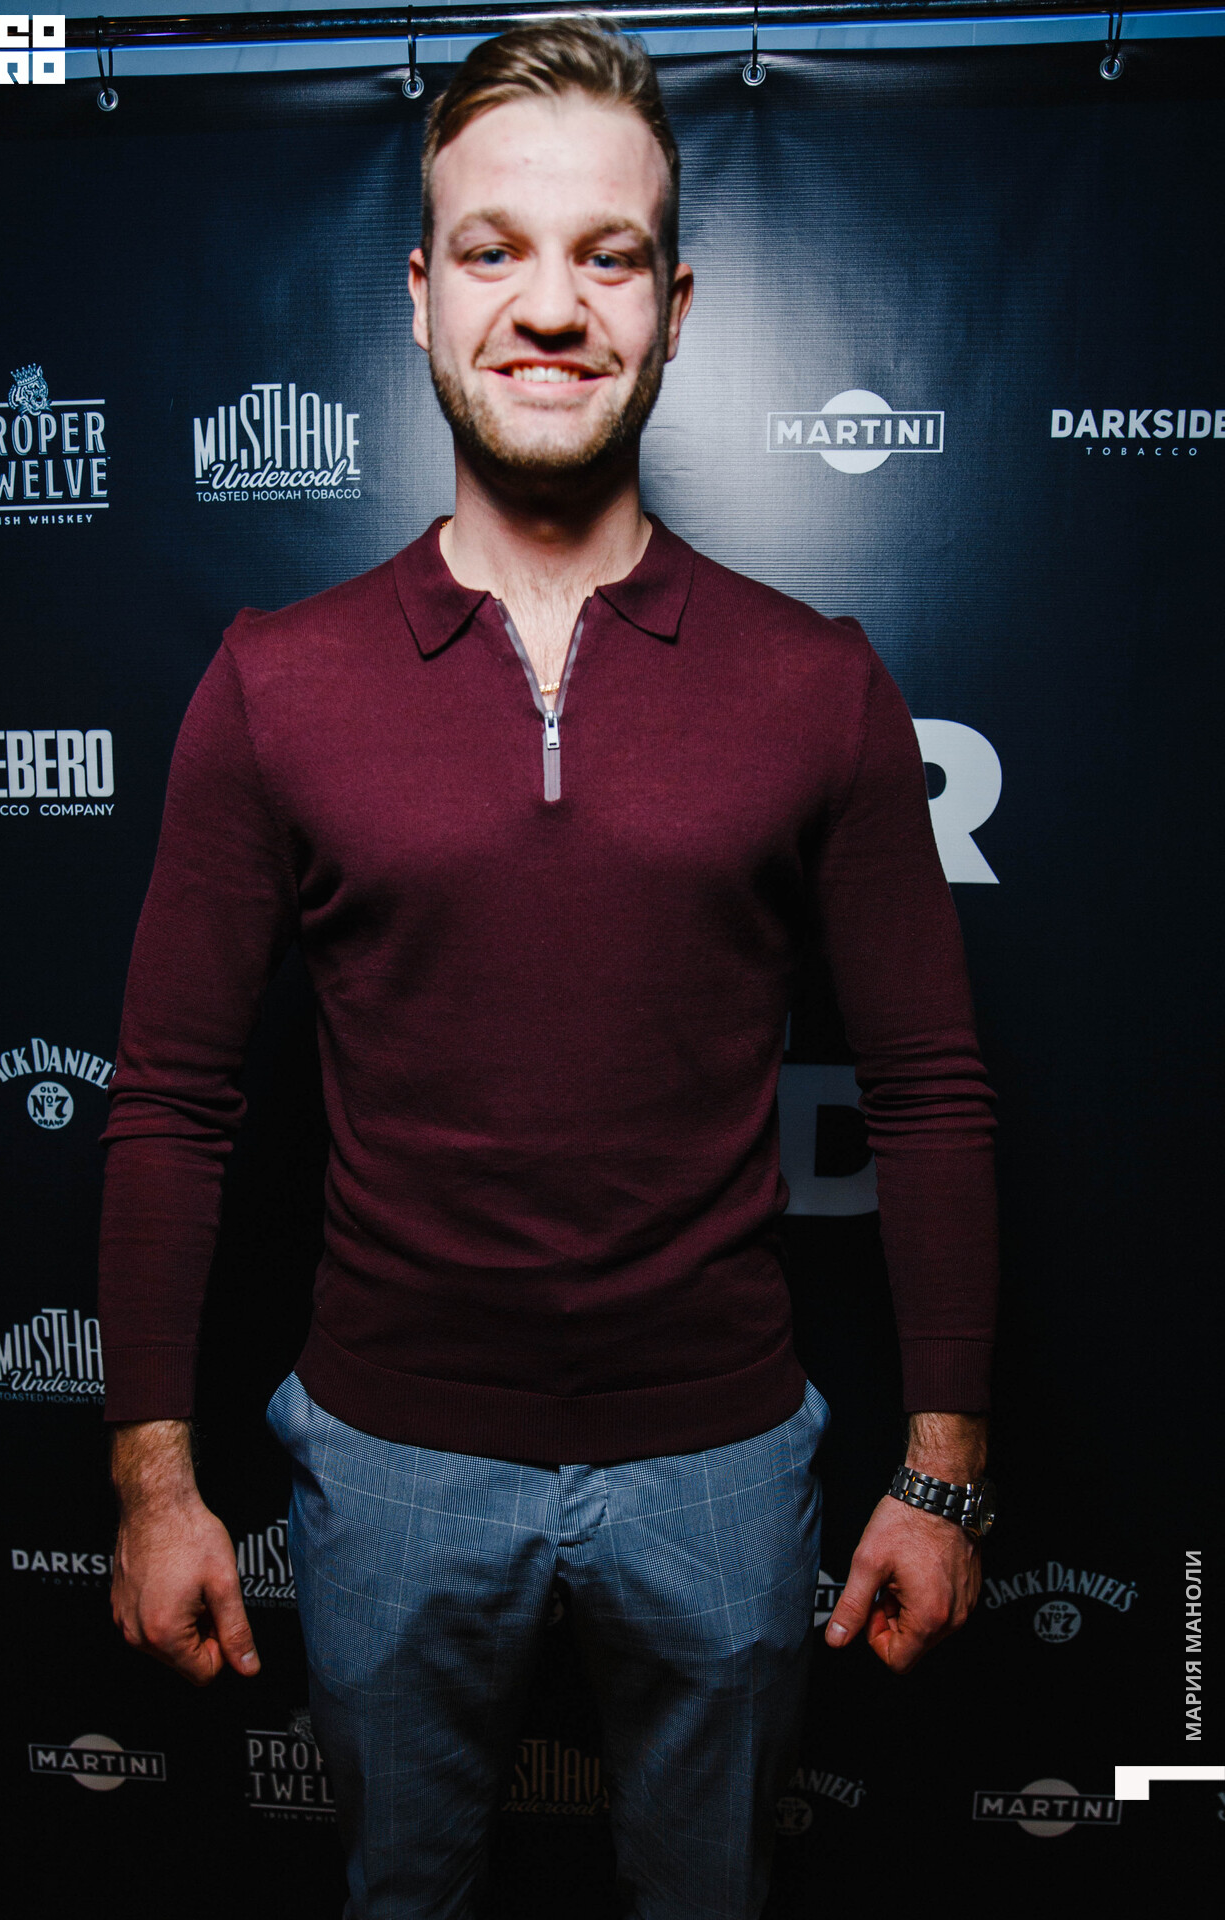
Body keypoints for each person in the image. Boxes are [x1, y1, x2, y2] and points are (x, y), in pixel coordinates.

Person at [100, 22, 997, 1920]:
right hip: (388, 1467)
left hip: (723, 1467)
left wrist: (939, 1475)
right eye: (494, 250)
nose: (552, 307)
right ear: (422, 298)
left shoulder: (815, 680)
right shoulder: (274, 681)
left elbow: (928, 1094)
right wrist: (156, 1486)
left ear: (674, 311)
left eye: (609, 256)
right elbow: (171, 1102)